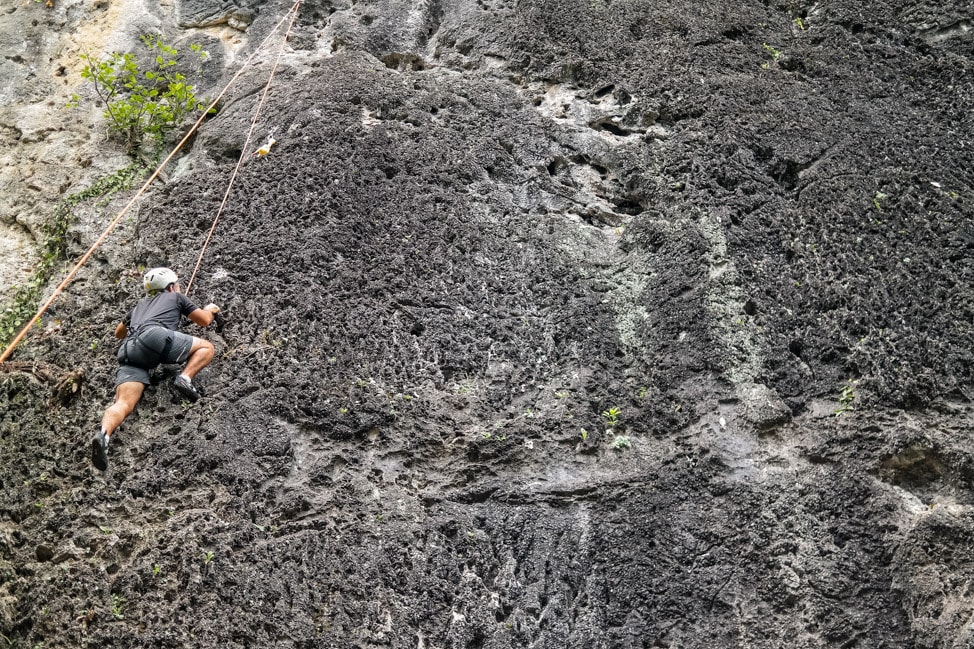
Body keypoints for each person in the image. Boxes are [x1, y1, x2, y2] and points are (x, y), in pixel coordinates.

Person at [91, 267, 221, 471]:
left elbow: (118, 333)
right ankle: (185, 378)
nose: (179, 287)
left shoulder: (139, 306)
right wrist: (211, 309)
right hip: (154, 337)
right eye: (176, 284)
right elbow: (204, 321)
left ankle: (104, 434)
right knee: (207, 347)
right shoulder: (177, 297)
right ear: (171, 287)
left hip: (128, 350)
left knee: (123, 403)